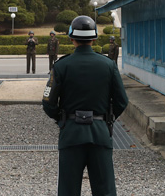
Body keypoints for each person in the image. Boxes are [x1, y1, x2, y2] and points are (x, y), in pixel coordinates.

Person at [42, 16, 129, 196]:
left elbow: (48, 103)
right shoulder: (108, 65)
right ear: (95, 37)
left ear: (71, 37)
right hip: (100, 133)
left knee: (68, 190)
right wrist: (106, 120)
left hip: (71, 133)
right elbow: (122, 101)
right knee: (104, 189)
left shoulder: (61, 66)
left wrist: (63, 119)